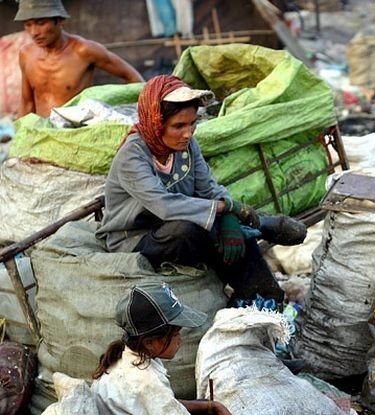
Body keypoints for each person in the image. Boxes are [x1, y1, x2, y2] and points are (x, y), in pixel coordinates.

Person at [95, 75, 291, 306]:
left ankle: (267, 298)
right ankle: (258, 229)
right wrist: (227, 207)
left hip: (178, 225)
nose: (188, 133)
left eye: (192, 124)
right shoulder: (132, 155)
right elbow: (165, 205)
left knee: (229, 235)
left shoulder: (187, 146)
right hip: (135, 236)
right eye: (178, 126)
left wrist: (228, 215)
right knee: (190, 229)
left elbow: (208, 187)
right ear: (157, 122)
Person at [92, 282, 231, 414]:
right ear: (149, 343)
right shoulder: (148, 381)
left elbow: (165, 402)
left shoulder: (127, 358)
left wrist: (210, 405)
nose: (180, 339)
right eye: (175, 333)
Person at [15, 0, 144, 118]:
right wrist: (20, 136)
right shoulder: (26, 54)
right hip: (41, 132)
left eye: (41, 23)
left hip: (76, 132)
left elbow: (134, 79)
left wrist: (135, 114)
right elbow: (27, 103)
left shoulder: (83, 50)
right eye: (28, 24)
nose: (34, 32)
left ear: (60, 21)